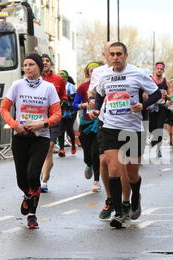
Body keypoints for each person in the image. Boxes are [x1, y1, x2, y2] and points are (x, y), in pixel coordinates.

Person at [93, 42, 161, 228]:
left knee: (132, 174)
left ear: (126, 55)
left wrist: (143, 105)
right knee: (114, 169)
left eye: (119, 54)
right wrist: (96, 109)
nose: (116, 57)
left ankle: (135, 196)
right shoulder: (104, 75)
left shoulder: (137, 73)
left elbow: (156, 94)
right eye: (112, 54)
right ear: (108, 56)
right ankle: (119, 211)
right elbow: (100, 95)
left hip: (132, 129)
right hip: (110, 128)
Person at [0, 53, 61, 229]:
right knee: (21, 180)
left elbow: (57, 114)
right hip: (20, 136)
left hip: (40, 137)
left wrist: (43, 123)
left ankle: (32, 216)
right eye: (25, 65)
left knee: (33, 174)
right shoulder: (17, 85)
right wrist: (14, 124)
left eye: (31, 65)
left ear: (39, 68)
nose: (27, 68)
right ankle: (28, 195)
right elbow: (4, 109)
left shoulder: (48, 88)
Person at [87, 41, 132, 220]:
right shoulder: (98, 72)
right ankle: (110, 199)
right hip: (105, 120)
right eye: (109, 52)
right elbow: (93, 93)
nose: (113, 56)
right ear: (104, 53)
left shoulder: (131, 70)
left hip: (126, 122)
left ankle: (126, 201)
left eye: (117, 53)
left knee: (124, 165)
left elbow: (143, 92)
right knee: (104, 161)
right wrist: (93, 104)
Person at [40, 54, 68, 193]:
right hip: (37, 119)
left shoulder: (58, 79)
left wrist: (63, 101)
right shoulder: (34, 79)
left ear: (51, 64)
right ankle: (40, 171)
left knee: (49, 147)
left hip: (54, 118)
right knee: (39, 150)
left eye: (47, 61)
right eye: (42, 61)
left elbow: (64, 95)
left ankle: (44, 181)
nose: (45, 63)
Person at [73, 62, 102, 192]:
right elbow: (74, 104)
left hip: (100, 123)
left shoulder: (104, 85)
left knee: (96, 152)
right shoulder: (82, 87)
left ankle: (96, 181)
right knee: (87, 153)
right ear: (87, 73)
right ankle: (88, 164)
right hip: (85, 123)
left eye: (96, 70)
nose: (93, 72)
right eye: (91, 71)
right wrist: (84, 105)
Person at [148, 62, 169, 158]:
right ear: (155, 69)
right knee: (152, 128)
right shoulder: (150, 80)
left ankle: (158, 149)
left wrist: (166, 95)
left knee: (159, 128)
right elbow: (146, 93)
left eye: (161, 69)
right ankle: (155, 141)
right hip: (152, 107)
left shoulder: (166, 81)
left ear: (163, 70)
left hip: (162, 107)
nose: (159, 70)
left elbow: (170, 96)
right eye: (158, 69)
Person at [57, 70, 77, 157]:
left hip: (70, 111)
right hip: (59, 110)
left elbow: (74, 98)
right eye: (60, 78)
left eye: (63, 78)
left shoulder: (70, 86)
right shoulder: (56, 86)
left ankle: (73, 144)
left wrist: (64, 98)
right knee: (60, 130)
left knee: (69, 129)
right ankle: (61, 149)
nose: (62, 80)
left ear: (66, 78)